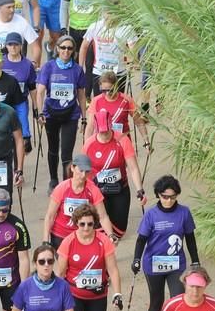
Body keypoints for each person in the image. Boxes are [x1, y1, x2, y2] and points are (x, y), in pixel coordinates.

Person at [131, 175, 200, 311]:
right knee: (157, 300)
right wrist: (136, 259)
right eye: (164, 196)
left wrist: (196, 261)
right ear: (158, 195)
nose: (168, 200)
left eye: (172, 197)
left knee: (177, 299)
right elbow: (141, 240)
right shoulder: (152, 215)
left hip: (176, 264)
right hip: (154, 264)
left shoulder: (184, 212)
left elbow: (190, 238)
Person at [82, 108, 147, 238]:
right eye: (101, 132)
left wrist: (140, 190)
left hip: (120, 188)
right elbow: (83, 171)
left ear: (111, 126)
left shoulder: (122, 140)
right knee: (102, 230)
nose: (105, 135)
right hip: (98, 190)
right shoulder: (89, 144)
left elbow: (133, 167)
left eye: (107, 132)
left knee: (119, 231)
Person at [36, 35, 86, 191]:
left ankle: (66, 184)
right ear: (57, 48)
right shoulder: (49, 67)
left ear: (73, 51)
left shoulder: (77, 69)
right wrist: (40, 113)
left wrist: (84, 117)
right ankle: (53, 180)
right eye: (63, 47)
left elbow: (81, 94)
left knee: (66, 153)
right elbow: (40, 92)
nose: (66, 51)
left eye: (70, 48)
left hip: (70, 115)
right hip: (51, 114)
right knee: (53, 148)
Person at [42, 154, 116, 248]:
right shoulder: (61, 188)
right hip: (60, 236)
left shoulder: (93, 190)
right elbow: (50, 216)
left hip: (83, 236)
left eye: (87, 172)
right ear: (73, 168)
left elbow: (103, 217)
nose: (83, 175)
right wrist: (45, 240)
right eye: (81, 171)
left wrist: (110, 235)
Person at [85, 71, 151, 151]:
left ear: (116, 86)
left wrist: (147, 142)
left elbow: (139, 122)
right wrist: (86, 146)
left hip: (122, 143)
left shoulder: (126, 100)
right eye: (103, 90)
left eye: (111, 90)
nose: (107, 93)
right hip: (102, 143)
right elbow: (90, 126)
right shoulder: (96, 101)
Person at [78, 13, 137, 99]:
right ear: (103, 12)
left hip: (118, 73)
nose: (109, 16)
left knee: (116, 104)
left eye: (111, 13)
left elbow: (133, 49)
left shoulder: (127, 28)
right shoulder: (95, 26)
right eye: (107, 13)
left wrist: (132, 62)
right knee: (99, 104)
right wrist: (80, 67)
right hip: (99, 72)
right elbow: (84, 46)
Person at [2, 32, 37, 153]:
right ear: (6, 46)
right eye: (10, 44)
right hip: (4, 103)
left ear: (21, 46)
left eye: (16, 44)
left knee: (22, 133)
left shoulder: (27, 65)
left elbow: (32, 87)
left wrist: (36, 107)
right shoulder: (1, 62)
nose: (13, 47)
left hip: (21, 102)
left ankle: (21, 156)